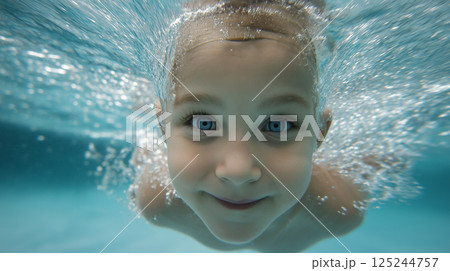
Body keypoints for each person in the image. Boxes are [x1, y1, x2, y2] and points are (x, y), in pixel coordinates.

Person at [132, 0, 368, 252]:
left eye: (277, 125)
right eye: (204, 123)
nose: (238, 171)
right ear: (163, 128)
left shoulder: (340, 210)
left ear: (321, 132)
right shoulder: (156, 202)